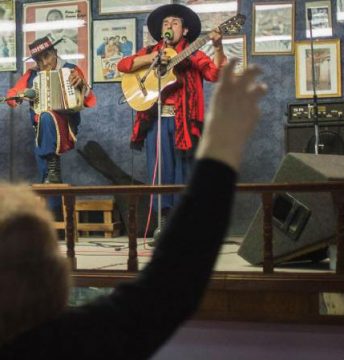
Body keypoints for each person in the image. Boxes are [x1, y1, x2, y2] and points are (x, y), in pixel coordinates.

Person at [0, 59, 267, 358]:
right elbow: (171, 285)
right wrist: (221, 147)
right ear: (55, 274)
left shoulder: (69, 70)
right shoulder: (85, 343)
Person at [117, 3, 226, 241]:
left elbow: (215, 74)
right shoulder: (150, 50)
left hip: (184, 123)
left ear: (185, 31)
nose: (169, 26)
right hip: (156, 120)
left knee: (184, 173)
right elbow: (123, 65)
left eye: (175, 22)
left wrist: (217, 46)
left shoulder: (194, 53)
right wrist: (151, 58)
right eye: (166, 23)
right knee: (160, 173)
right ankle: (163, 224)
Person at [6, 35, 96, 185]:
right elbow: (12, 95)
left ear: (55, 52)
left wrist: (81, 86)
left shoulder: (71, 70)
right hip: (40, 130)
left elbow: (90, 99)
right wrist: (20, 95)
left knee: (46, 115)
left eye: (47, 56)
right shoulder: (31, 75)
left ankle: (53, 168)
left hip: (67, 126)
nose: (44, 63)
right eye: (38, 60)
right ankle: (51, 190)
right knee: (46, 178)